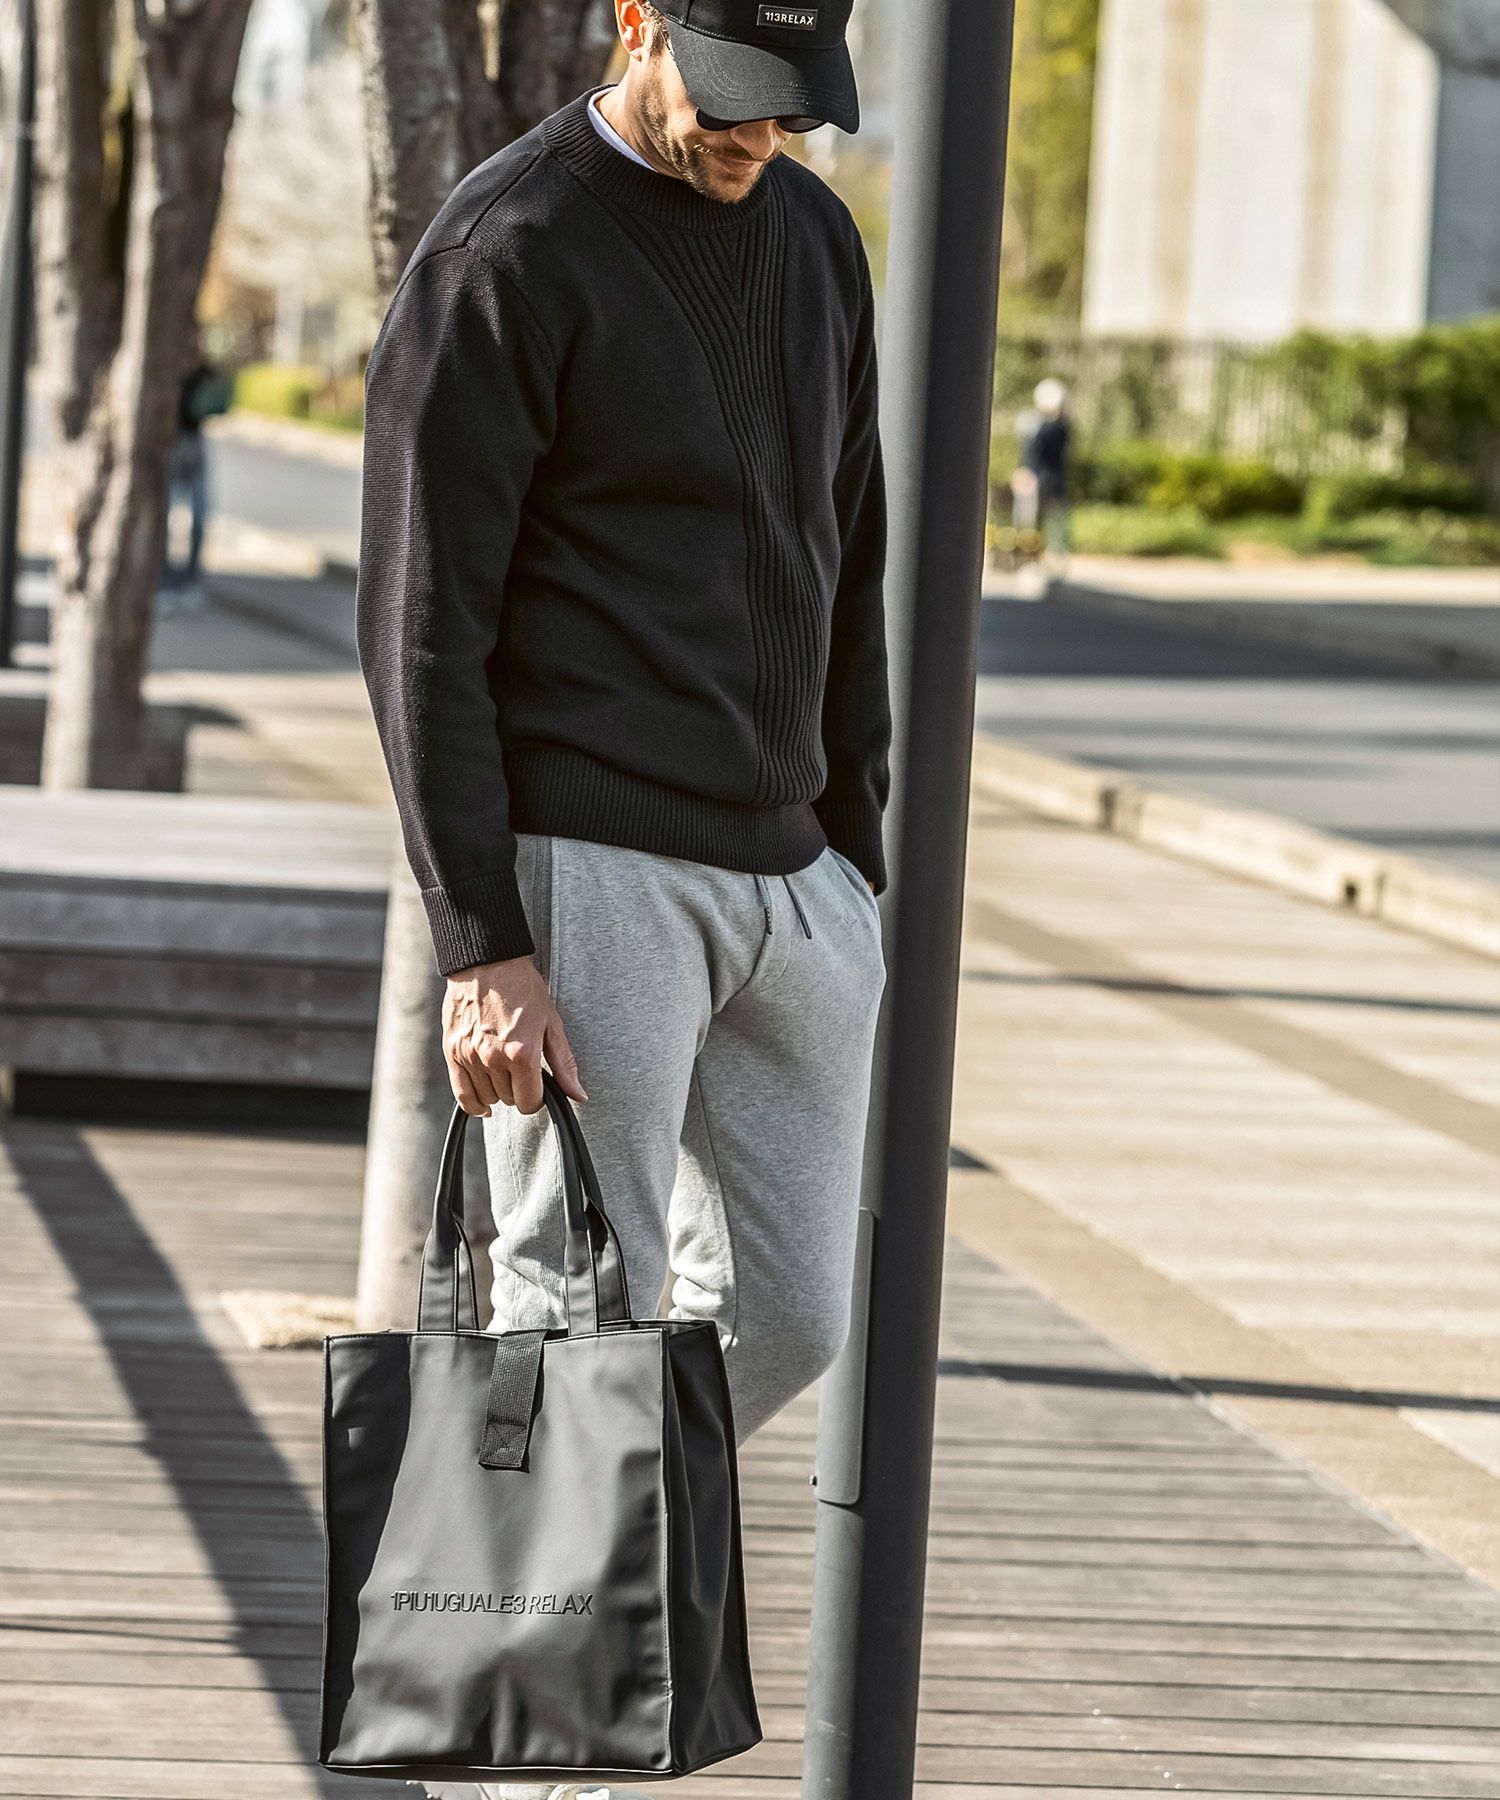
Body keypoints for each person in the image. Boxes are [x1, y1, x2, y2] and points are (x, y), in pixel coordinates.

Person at [355, 4, 889, 1796]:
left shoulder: (813, 237)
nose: (758, 139)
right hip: (590, 875)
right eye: (732, 102)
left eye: (792, 111)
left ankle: (543, 1621)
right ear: (638, 23)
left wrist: (858, 860)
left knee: (794, 1313)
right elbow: (421, 624)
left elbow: (850, 551)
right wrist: (479, 940)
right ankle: (545, 1760)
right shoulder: (506, 252)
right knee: (573, 1321)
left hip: (794, 880)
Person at [158, 336, 232, 612]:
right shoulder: (165, 369)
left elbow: (220, 398)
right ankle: (163, 581)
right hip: (170, 442)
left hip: (194, 443)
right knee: (163, 515)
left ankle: (190, 580)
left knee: (200, 516)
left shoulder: (204, 372)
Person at [1012, 375, 1072, 565]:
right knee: (1028, 522)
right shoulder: (1037, 425)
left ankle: (1054, 556)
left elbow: (1044, 445)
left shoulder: (1056, 427)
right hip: (1035, 481)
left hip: (1050, 483)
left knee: (1054, 523)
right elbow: (1029, 452)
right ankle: (1027, 557)